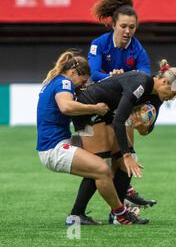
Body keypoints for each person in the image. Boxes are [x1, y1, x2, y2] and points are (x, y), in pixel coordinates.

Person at [68, 60, 176, 225]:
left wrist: (141, 127)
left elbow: (147, 129)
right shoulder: (140, 83)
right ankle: (76, 215)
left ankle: (116, 215)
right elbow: (119, 121)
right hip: (90, 107)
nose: (173, 97)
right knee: (101, 165)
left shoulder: (158, 97)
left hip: (107, 114)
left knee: (126, 163)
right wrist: (125, 154)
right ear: (164, 82)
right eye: (174, 92)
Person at [69, 0, 154, 225]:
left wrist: (124, 78)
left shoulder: (138, 49)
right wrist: (114, 77)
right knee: (104, 163)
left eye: (132, 27)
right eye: (123, 26)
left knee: (120, 158)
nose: (127, 31)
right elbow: (94, 74)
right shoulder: (99, 44)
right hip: (93, 110)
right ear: (113, 25)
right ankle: (82, 214)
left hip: (116, 109)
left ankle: (114, 207)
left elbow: (144, 77)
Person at [36, 50, 148, 225]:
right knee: (102, 169)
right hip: (54, 149)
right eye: (82, 81)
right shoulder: (64, 82)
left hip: (59, 143)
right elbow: (65, 107)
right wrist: (95, 108)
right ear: (73, 72)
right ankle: (121, 213)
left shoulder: (56, 81)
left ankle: (78, 215)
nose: (82, 85)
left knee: (103, 158)